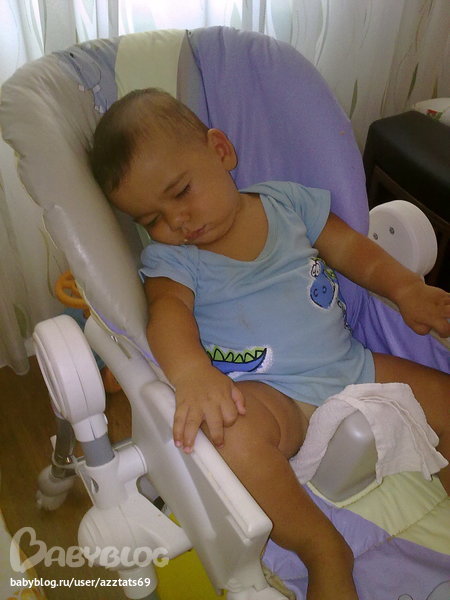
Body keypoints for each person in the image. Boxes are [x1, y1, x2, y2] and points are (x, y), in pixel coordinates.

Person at [90, 88, 450, 600]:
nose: (177, 222)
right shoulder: (173, 260)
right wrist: (192, 373)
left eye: (182, 191)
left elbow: (354, 252)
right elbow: (168, 316)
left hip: (353, 363)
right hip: (277, 397)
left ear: (220, 151)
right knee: (230, 436)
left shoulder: (287, 202)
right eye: (152, 221)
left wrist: (406, 289)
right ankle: (322, 548)